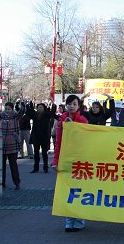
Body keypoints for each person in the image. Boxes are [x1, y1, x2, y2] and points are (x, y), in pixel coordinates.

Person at [52, 94, 89, 232]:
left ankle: (79, 220)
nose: (71, 106)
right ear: (65, 105)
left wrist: (74, 127)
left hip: (80, 161)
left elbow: (86, 141)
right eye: (69, 104)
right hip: (65, 160)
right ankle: (68, 221)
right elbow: (58, 143)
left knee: (80, 191)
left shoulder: (83, 121)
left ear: (79, 106)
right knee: (66, 191)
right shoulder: (61, 121)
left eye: (74, 104)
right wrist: (55, 161)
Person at [0, 101, 25, 190]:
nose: (7, 111)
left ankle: (17, 183)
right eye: (6, 109)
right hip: (2, 144)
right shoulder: (1, 116)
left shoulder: (15, 117)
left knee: (13, 165)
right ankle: (2, 182)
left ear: (12, 109)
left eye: (9, 109)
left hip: (13, 143)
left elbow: (21, 112)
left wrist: (23, 106)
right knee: (1, 165)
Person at [26, 102, 58, 173]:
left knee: (44, 153)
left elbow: (52, 114)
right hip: (36, 136)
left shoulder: (46, 114)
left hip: (44, 137)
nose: (40, 108)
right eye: (38, 107)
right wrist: (30, 107)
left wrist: (53, 107)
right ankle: (36, 168)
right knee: (36, 153)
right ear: (36, 108)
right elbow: (28, 113)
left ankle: (45, 167)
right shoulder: (35, 114)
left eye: (41, 107)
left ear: (44, 108)